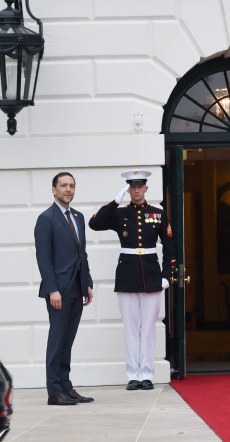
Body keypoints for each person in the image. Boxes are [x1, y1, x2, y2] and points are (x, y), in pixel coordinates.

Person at [89, 169, 175, 391]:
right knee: (130, 328)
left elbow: (170, 246)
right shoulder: (119, 214)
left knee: (148, 329)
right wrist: (114, 201)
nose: (136, 190)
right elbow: (94, 223)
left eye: (140, 186)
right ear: (128, 189)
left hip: (151, 275)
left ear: (146, 188)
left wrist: (167, 275)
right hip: (127, 274)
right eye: (132, 187)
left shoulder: (158, 213)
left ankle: (146, 374)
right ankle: (132, 375)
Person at [34, 172, 94, 406]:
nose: (68, 189)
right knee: (57, 341)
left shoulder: (78, 217)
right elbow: (43, 258)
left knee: (68, 341)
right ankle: (54, 390)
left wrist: (87, 282)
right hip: (58, 290)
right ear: (54, 190)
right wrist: (52, 289)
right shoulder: (46, 219)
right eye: (63, 186)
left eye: (71, 186)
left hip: (77, 289)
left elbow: (82, 254)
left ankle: (66, 386)